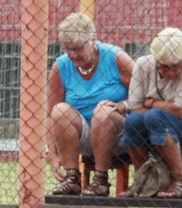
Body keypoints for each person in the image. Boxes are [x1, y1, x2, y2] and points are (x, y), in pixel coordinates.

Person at [120, 27, 182, 198]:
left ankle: (180, 181)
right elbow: (135, 107)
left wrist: (150, 102)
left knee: (154, 116)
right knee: (133, 120)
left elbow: (181, 112)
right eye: (164, 67)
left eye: (176, 67)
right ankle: (144, 180)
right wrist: (171, 109)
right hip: (158, 130)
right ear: (156, 59)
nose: (171, 72)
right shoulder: (143, 64)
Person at [46, 12, 135, 197]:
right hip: (85, 135)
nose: (73, 55)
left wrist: (123, 105)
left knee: (102, 110)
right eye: (67, 49)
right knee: (59, 111)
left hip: (119, 133)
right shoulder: (61, 66)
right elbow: (49, 115)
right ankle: (72, 178)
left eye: (78, 48)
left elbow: (144, 94)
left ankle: (100, 179)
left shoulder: (115, 57)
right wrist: (52, 154)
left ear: (93, 40)